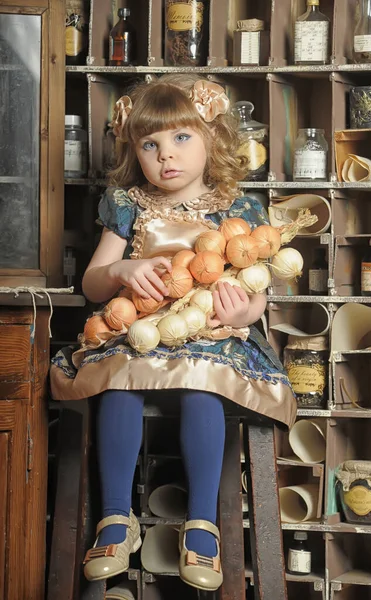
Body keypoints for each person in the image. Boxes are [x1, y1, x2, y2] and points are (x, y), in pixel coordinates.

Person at [51, 74, 296, 592]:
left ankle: (201, 523)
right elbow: (93, 279)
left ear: (213, 138)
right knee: (120, 380)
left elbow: (257, 294)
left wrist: (240, 314)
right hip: (141, 329)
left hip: (209, 330)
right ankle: (116, 517)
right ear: (134, 151)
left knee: (200, 386)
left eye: (182, 138)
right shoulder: (129, 204)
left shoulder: (238, 207)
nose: (168, 156)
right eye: (150, 144)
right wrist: (120, 272)